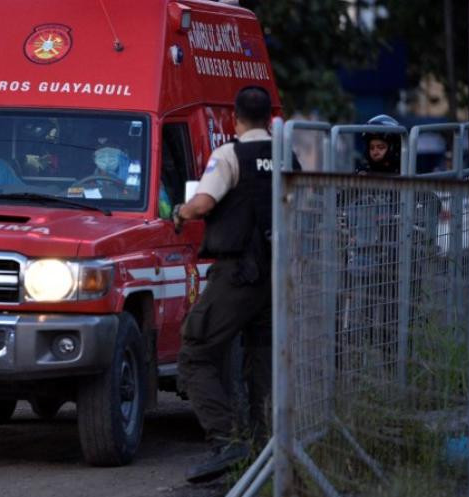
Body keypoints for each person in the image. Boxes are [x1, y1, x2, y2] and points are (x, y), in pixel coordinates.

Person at [172, 86, 275, 484]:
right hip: (277, 277)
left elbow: (204, 204)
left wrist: (181, 213)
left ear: (236, 118)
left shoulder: (231, 154)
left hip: (238, 275)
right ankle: (265, 449)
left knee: (195, 352)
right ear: (269, 117)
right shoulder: (287, 157)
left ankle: (227, 441)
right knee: (261, 362)